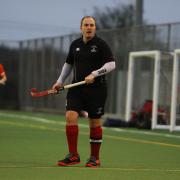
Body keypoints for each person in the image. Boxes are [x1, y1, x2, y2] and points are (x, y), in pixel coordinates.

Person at [52, 16, 116, 168]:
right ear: (81, 27)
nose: (89, 27)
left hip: (97, 90)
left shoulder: (101, 44)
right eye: (86, 25)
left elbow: (111, 64)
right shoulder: (75, 44)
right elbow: (68, 64)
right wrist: (60, 81)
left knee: (94, 122)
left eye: (92, 25)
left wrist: (94, 74)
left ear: (95, 28)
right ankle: (73, 155)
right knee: (70, 116)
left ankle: (95, 158)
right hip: (76, 88)